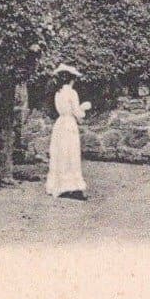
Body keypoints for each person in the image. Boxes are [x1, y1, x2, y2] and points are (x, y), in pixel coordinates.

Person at [47, 64, 91, 200]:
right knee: (70, 154)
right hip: (69, 124)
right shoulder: (72, 93)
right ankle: (72, 187)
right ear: (72, 79)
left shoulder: (58, 93)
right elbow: (77, 113)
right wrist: (84, 108)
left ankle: (59, 185)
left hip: (60, 124)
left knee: (61, 154)